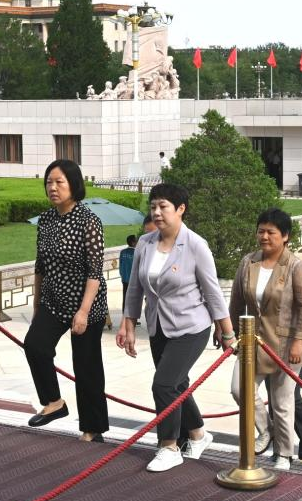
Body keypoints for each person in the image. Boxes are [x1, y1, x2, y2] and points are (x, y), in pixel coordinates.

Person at [118, 183, 234, 472]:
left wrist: (227, 331)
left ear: (181, 209)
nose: (157, 212)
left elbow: (213, 292)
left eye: (163, 207)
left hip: (191, 327)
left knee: (164, 384)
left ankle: (169, 446)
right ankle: (198, 434)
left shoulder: (195, 245)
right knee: (177, 383)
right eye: (153, 207)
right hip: (158, 326)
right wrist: (128, 323)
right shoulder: (145, 243)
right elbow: (135, 288)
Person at [23, 160, 110, 443]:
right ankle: (54, 402)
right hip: (53, 300)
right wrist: (37, 303)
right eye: (49, 182)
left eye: (59, 182)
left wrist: (83, 312)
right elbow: (40, 265)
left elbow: (95, 272)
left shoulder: (88, 221)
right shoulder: (46, 220)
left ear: (74, 185)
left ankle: (92, 429)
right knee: (35, 345)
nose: (53, 187)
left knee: (86, 368)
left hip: (86, 304)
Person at [229, 208, 302, 473]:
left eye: (271, 232)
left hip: (287, 344)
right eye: (261, 231)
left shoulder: (296, 266)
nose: (264, 237)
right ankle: (267, 431)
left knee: (282, 401)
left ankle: (285, 453)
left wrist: (300, 341)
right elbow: (237, 301)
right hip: (253, 341)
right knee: (239, 389)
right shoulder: (248, 262)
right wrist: (230, 332)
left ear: (285, 236)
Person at [119, 234, 137, 303]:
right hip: (134, 281)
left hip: (124, 279)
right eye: (136, 240)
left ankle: (124, 309)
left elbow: (120, 265)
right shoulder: (136, 253)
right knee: (133, 299)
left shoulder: (122, 252)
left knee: (125, 297)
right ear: (133, 243)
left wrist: (122, 275)